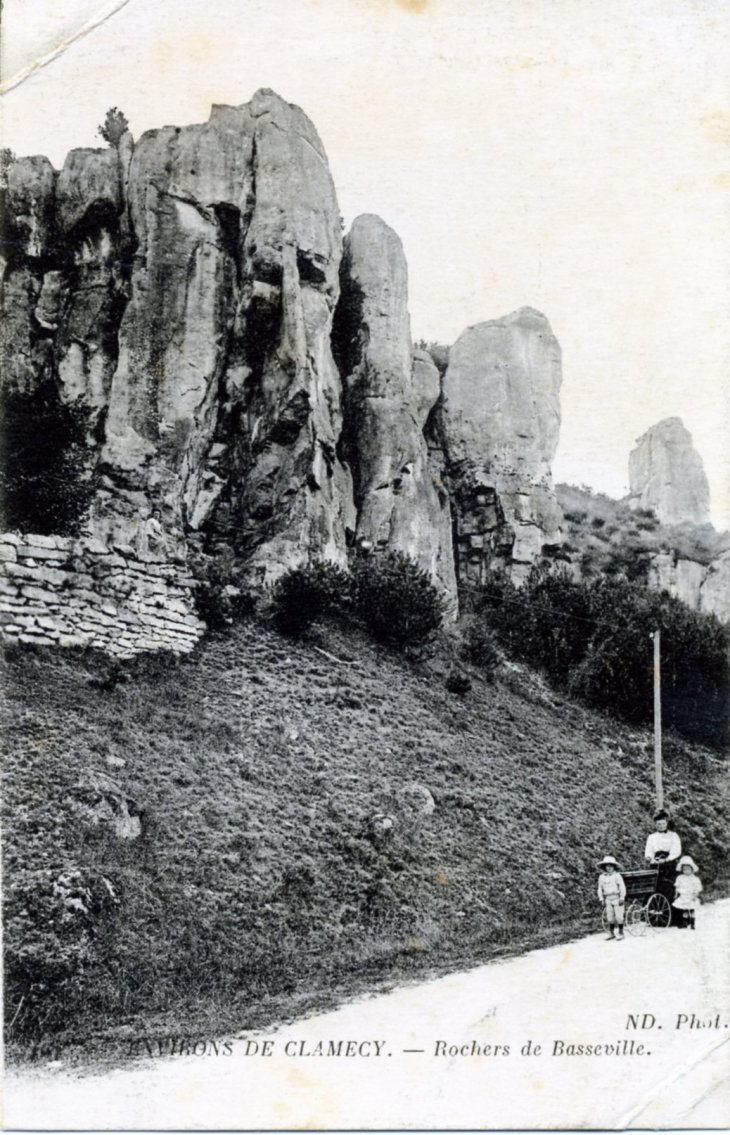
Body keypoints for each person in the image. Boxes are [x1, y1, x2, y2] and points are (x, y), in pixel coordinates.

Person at [597, 856, 626, 941]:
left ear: (614, 867)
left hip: (616, 897)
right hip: (608, 898)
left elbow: (622, 887)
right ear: (604, 867)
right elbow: (600, 888)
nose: (609, 868)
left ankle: (621, 932)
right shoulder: (602, 877)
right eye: (607, 866)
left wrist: (622, 897)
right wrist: (601, 898)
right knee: (610, 916)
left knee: (619, 916)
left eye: (611, 866)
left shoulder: (617, 876)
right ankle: (611, 933)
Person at [672, 855, 703, 930]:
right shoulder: (680, 878)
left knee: (691, 909)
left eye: (688, 869)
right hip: (683, 896)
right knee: (684, 909)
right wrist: (676, 895)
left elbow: (697, 888)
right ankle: (685, 922)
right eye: (684, 869)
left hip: (691, 896)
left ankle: (692, 923)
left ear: (692, 870)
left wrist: (695, 895)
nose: (686, 871)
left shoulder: (695, 878)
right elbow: (677, 887)